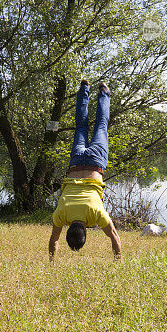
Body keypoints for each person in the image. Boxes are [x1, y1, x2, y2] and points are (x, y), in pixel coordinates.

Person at [48, 80, 121, 261]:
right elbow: (53, 240)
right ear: (68, 229)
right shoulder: (61, 215)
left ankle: (104, 92)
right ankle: (84, 88)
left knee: (101, 125)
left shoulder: (96, 214)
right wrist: (51, 260)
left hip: (95, 162)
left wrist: (119, 260)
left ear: (86, 234)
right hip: (76, 161)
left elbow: (114, 237)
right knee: (81, 126)